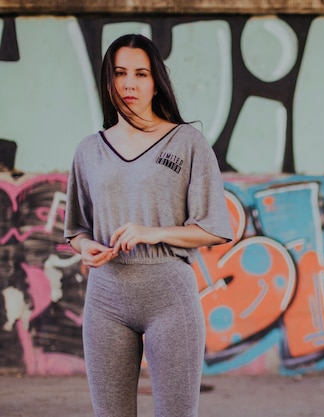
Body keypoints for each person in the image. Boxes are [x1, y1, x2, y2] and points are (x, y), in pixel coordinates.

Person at [64, 33, 233, 417]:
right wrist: (84, 246)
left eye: (141, 74)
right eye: (120, 73)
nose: (129, 84)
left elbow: (215, 228)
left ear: (156, 81)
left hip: (169, 295)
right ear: (107, 81)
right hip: (105, 298)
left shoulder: (186, 141)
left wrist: (152, 232)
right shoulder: (88, 150)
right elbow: (75, 228)